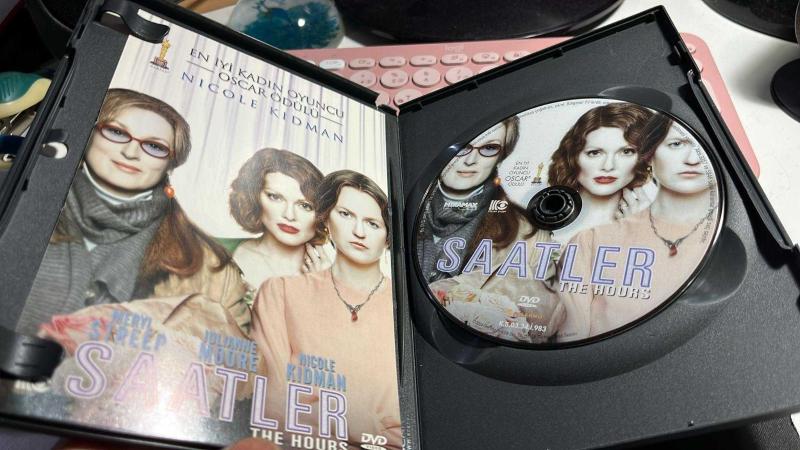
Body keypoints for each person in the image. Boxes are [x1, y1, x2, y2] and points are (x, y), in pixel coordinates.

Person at [17, 88, 248, 335]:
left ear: (171, 163)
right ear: (89, 132)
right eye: (116, 132)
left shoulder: (212, 270)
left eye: (154, 146)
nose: (130, 153)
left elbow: (229, 354)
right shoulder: (23, 191)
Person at [251, 170, 401, 448]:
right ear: (326, 220)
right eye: (345, 214)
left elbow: (415, 432)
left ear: (388, 236)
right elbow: (272, 409)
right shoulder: (281, 294)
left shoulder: (404, 313)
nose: (359, 232)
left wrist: (322, 413)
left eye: (372, 223)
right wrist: (364, 424)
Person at [556, 114, 719, 342]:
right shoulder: (591, 239)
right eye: (676, 144)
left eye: (624, 151)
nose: (693, 159)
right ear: (649, 155)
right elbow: (571, 337)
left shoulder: (724, 241)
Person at [417, 116, 528, 283]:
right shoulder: (404, 204)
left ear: (501, 156)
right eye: (461, 146)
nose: (470, 161)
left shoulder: (526, 231)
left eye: (489, 148)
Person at [547, 102, 658, 244]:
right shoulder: (532, 226)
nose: (608, 166)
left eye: (626, 152)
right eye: (594, 153)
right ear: (572, 157)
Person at [229, 148, 330, 291]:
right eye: (275, 197)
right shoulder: (212, 250)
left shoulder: (341, 280)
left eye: (305, 206)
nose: (289, 215)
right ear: (254, 197)